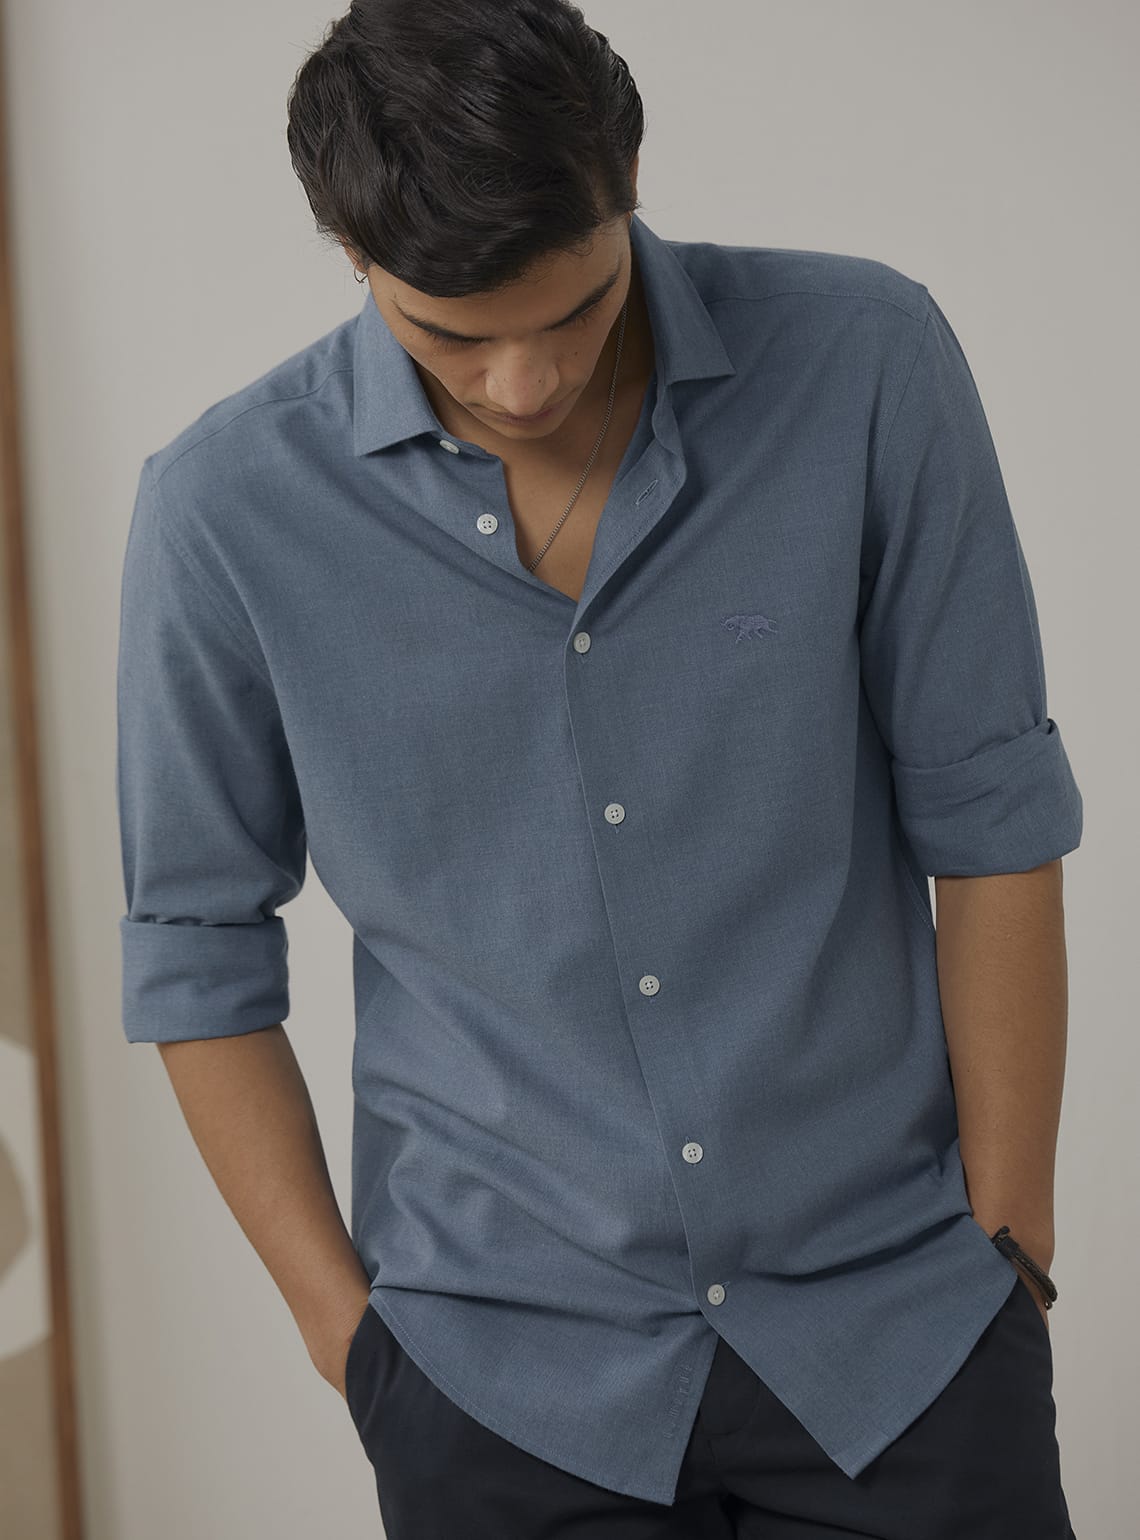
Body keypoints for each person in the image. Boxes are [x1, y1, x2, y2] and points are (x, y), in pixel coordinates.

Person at [115, 1, 1082, 1535]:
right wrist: (351, 1342)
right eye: (453, 335)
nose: (524, 384)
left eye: (572, 310)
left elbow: (992, 812)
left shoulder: (864, 363)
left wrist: (1009, 1245)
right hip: (499, 1382)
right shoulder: (226, 512)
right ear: (351, 254)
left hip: (899, 1336)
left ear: (628, 179)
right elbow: (194, 949)